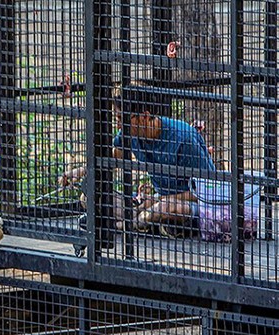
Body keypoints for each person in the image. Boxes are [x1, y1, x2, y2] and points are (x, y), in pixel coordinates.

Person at [61, 90, 216, 236]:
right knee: (88, 198)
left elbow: (208, 191)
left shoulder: (184, 139)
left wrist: (158, 200)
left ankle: (120, 226)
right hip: (153, 202)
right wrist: (81, 171)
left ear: (144, 116)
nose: (118, 126)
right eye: (117, 119)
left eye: (122, 119)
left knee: (165, 207)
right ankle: (149, 223)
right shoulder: (129, 133)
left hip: (190, 206)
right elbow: (114, 157)